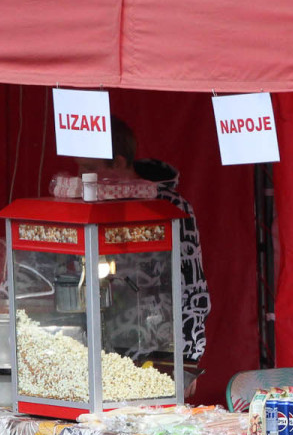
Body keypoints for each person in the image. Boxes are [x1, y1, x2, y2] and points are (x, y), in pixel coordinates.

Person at [75, 117, 211, 376]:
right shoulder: (84, 206)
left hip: (157, 352)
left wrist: (188, 360)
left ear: (118, 162)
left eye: (89, 168)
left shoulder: (170, 208)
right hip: (96, 351)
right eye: (80, 168)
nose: (82, 177)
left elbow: (192, 287)